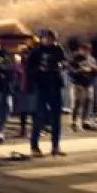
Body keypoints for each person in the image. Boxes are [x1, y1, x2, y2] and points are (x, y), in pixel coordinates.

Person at [26, 29, 67, 157]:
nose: (48, 40)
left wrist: (61, 65)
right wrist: (39, 70)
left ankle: (55, 145)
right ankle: (34, 146)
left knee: (56, 118)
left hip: (55, 85)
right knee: (39, 117)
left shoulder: (58, 50)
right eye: (46, 38)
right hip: (41, 86)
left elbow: (65, 62)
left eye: (51, 38)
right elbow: (28, 69)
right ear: (42, 39)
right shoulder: (36, 51)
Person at [70, 44, 97, 131]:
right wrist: (80, 70)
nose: (85, 52)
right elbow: (71, 71)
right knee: (77, 102)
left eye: (87, 50)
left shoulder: (92, 59)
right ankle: (74, 122)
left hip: (88, 84)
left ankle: (84, 121)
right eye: (83, 50)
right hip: (77, 84)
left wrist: (94, 69)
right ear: (80, 50)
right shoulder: (75, 59)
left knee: (88, 102)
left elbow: (96, 72)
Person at [11, 43, 36, 137]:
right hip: (22, 89)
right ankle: (23, 130)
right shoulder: (19, 64)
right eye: (23, 53)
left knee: (33, 110)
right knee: (23, 111)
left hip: (31, 88)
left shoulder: (32, 64)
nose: (25, 55)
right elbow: (16, 76)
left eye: (26, 53)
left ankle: (34, 130)